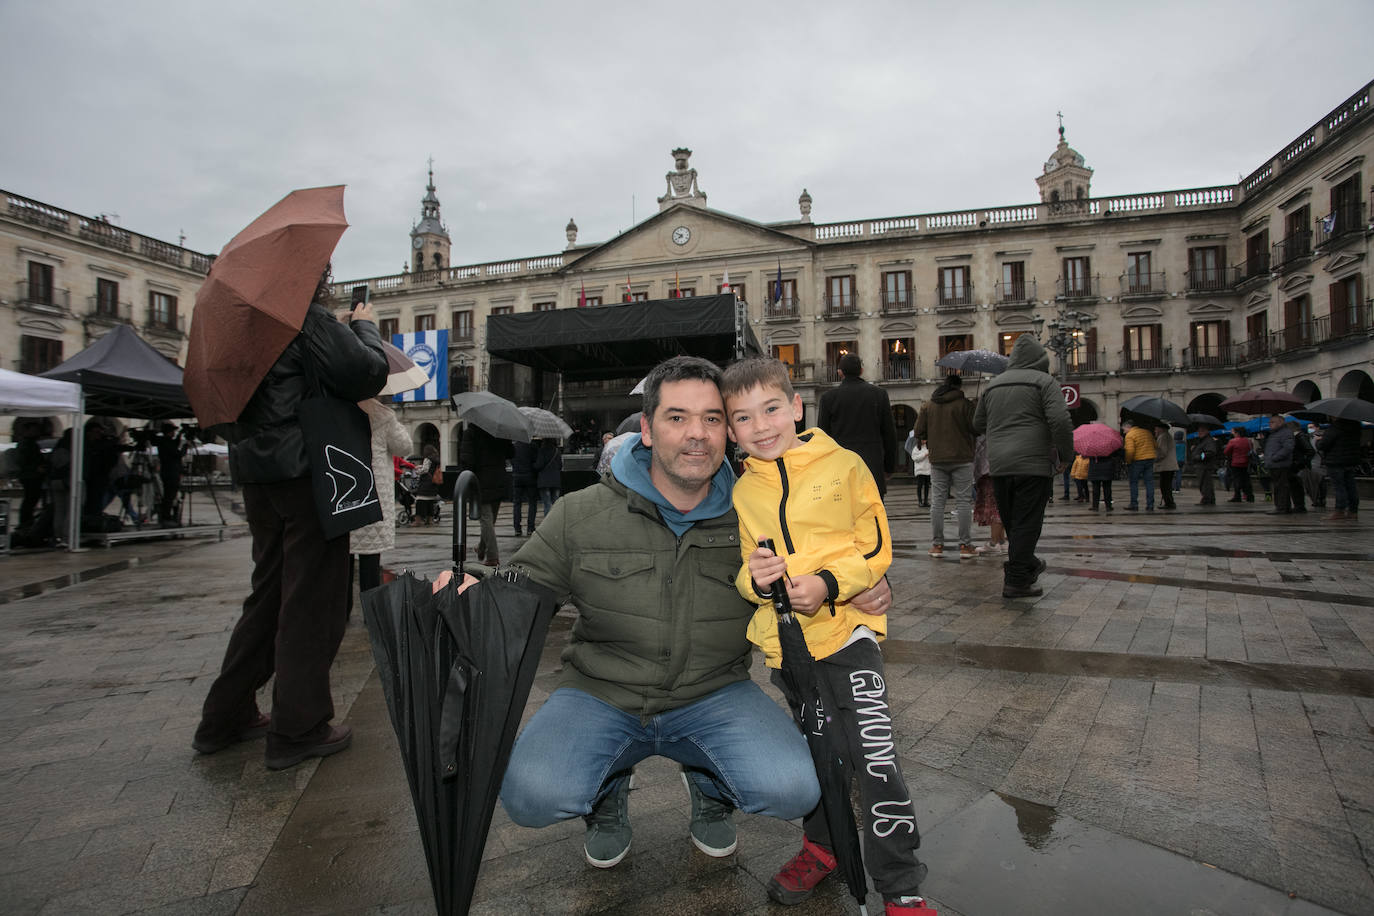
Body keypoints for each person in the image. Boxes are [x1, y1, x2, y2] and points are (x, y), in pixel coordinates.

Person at [489, 356, 891, 882]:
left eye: (712, 418)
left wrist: (865, 583)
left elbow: (834, 544)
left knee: (793, 787)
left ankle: (709, 784)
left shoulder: (753, 513)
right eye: (677, 417)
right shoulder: (581, 512)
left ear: (728, 431)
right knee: (531, 796)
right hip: (601, 694)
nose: (696, 434)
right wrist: (473, 585)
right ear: (647, 429)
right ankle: (606, 794)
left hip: (714, 695)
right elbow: (520, 586)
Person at [721, 357, 929, 914]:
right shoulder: (743, 491)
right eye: (743, 418)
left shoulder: (846, 465)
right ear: (731, 429)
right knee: (821, 753)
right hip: (789, 649)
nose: (761, 426)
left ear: (796, 407)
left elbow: (876, 545)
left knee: (876, 757)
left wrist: (831, 585)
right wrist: (756, 580)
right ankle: (823, 846)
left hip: (848, 636)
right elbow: (745, 568)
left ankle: (901, 883)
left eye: (771, 409)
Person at [193, 268, 387, 771]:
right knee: (313, 600)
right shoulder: (302, 316)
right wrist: (363, 326)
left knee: (269, 596)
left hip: (259, 474)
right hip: (309, 471)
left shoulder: (237, 328)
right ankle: (299, 727)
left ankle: (225, 716)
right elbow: (366, 373)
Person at [972, 334, 1073, 599]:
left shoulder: (993, 386)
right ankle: (1017, 580)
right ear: (1040, 360)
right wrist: (1065, 455)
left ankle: (1028, 567)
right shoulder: (1045, 382)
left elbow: (977, 424)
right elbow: (1061, 421)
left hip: (999, 465)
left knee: (1013, 521)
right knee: (1027, 522)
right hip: (1033, 464)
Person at [348, 397, 412, 616]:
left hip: (346, 490)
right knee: (370, 557)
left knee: (343, 556)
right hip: (372, 494)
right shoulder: (381, 413)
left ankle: (343, 610)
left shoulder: (338, 407)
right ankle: (371, 613)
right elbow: (404, 446)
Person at [817, 354, 898, 499]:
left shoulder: (828, 398)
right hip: (872, 468)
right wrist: (889, 467)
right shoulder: (879, 395)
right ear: (861, 371)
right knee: (873, 511)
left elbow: (822, 438)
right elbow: (889, 434)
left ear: (840, 372)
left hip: (841, 469)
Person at [913, 373, 976, 559]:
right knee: (963, 501)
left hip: (938, 459)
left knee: (938, 502)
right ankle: (965, 546)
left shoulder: (928, 405)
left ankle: (937, 545)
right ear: (959, 387)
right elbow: (976, 428)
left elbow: (918, 431)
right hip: (962, 457)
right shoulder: (965, 405)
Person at [459, 424, 512, 565]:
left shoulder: (471, 433)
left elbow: (467, 460)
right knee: (490, 520)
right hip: (499, 479)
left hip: (480, 481)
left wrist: (466, 480)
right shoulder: (500, 432)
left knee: (486, 520)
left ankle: (493, 557)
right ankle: (482, 548)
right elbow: (511, 453)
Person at [1316, 417, 1361, 521]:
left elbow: (1323, 445)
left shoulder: (1335, 428)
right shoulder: (1355, 427)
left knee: (1339, 487)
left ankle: (1339, 511)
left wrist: (1319, 441)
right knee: (1351, 487)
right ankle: (1353, 511)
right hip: (1351, 461)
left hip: (1335, 461)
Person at [1261, 414, 1302, 514]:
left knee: (1281, 486)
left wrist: (1275, 457)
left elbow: (1288, 448)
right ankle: (1283, 506)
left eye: (1272, 422)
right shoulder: (1273, 433)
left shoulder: (1285, 433)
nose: (1270, 424)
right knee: (1278, 486)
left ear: (1280, 422)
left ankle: (1282, 507)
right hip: (1274, 464)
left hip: (1280, 464)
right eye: (1269, 422)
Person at [973, 435, 1007, 554]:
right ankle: (1001, 541)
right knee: (1000, 505)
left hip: (990, 469)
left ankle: (993, 543)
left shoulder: (986, 432)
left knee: (995, 507)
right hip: (1003, 466)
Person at [153, 423, 185, 527]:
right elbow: (177, 454)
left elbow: (174, 444)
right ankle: (166, 517)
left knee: (169, 495)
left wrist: (180, 435)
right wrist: (185, 447)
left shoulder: (163, 441)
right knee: (169, 496)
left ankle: (166, 516)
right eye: (173, 431)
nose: (174, 433)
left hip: (168, 472)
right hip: (171, 473)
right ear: (169, 432)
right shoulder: (166, 442)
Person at [1121, 418, 1157, 511]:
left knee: (1134, 482)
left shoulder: (1130, 435)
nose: (1123, 432)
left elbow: (1130, 451)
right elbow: (1155, 445)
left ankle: (1134, 504)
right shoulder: (1147, 432)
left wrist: (1128, 461)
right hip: (1150, 459)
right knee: (1149, 482)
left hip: (1137, 461)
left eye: (1124, 429)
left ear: (1128, 427)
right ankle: (1150, 505)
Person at [15, 423, 45, 530]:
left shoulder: (29, 443)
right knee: (30, 500)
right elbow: (22, 461)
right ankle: (26, 523)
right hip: (30, 476)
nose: (36, 432)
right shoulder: (26, 444)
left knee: (30, 500)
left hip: (31, 475)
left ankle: (26, 522)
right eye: (34, 430)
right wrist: (35, 468)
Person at [510, 439, 538, 537]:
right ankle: (530, 528)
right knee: (532, 503)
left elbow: (511, 460)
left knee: (517, 503)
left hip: (517, 476)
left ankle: (517, 528)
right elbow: (536, 461)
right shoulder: (532, 445)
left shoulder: (514, 446)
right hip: (530, 476)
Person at [533, 437, 562, 524]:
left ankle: (548, 523)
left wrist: (533, 465)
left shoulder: (542, 451)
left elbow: (539, 465)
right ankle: (557, 522)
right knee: (555, 503)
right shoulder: (557, 451)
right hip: (556, 480)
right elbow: (560, 466)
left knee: (547, 503)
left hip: (544, 481)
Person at [412, 444, 442, 525]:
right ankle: (430, 520)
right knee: (430, 502)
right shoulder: (436, 459)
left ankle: (418, 521)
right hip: (433, 483)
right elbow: (430, 468)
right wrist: (421, 466)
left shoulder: (427, 459)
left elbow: (425, 470)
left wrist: (417, 472)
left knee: (420, 501)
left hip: (426, 483)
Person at [1189, 427, 1219, 505]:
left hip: (1204, 465)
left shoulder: (1208, 441)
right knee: (1204, 483)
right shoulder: (1202, 441)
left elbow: (1209, 452)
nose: (1199, 433)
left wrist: (1199, 457)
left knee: (1205, 483)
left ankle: (1207, 499)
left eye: (1202, 431)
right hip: (1201, 465)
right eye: (1198, 431)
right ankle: (1208, 498)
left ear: (1207, 431)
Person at [1152, 422, 1178, 511]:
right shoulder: (1166, 436)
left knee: (1165, 485)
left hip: (1166, 465)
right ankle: (1169, 502)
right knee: (1166, 485)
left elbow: (1162, 452)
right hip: (1169, 465)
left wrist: (1154, 458)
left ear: (1161, 429)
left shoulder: (1163, 437)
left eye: (1156, 429)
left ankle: (1169, 503)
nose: (1155, 431)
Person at [1224, 430, 1255, 502]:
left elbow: (1226, 451)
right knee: (1246, 479)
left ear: (1237, 433)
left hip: (1236, 463)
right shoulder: (1248, 441)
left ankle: (1237, 496)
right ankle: (1249, 496)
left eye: (1233, 432)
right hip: (1246, 463)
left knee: (1236, 479)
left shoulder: (1233, 441)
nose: (1232, 433)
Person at [907, 434, 931, 508]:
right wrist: (924, 455)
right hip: (920, 470)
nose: (924, 441)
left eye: (925, 440)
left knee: (927, 486)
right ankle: (920, 501)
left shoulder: (928, 448)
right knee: (920, 486)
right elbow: (915, 458)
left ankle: (926, 501)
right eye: (923, 440)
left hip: (928, 470)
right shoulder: (916, 448)